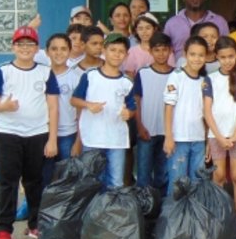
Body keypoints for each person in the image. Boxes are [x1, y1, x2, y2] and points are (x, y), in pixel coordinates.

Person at [0, 26, 59, 239]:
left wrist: (52, 139)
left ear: (37, 48)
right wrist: (4, 106)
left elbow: (53, 107)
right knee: (7, 182)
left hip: (37, 134)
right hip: (8, 134)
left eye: (30, 44)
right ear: (13, 47)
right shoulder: (3, 71)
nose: (25, 48)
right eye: (21, 44)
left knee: (34, 182)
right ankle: (4, 229)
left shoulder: (45, 72)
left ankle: (35, 224)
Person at [71, 33, 136, 190]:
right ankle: (92, 214)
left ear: (126, 56)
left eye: (121, 51)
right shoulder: (90, 76)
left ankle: (110, 213)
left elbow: (132, 108)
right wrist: (88, 105)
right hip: (92, 139)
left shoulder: (127, 81)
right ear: (104, 51)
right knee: (92, 181)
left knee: (115, 183)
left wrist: (129, 114)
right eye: (112, 50)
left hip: (116, 140)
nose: (116, 54)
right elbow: (74, 100)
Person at [203, 37, 236, 223]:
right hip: (216, 134)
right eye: (223, 57)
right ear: (216, 56)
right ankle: (218, 219)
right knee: (219, 175)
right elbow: (207, 111)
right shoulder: (211, 79)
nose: (227, 60)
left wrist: (234, 134)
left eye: (231, 56)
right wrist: (218, 136)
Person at [163, 36, 209, 192]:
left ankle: (193, 216)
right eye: (193, 54)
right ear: (185, 54)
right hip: (179, 139)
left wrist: (207, 139)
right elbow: (168, 107)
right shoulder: (176, 76)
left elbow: (206, 112)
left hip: (198, 139)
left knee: (197, 182)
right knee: (177, 183)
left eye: (201, 55)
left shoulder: (204, 80)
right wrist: (169, 137)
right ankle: (174, 216)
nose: (197, 59)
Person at [133, 32, 173, 193]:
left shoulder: (176, 74)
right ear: (150, 51)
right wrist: (139, 126)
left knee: (163, 173)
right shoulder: (142, 73)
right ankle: (144, 208)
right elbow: (137, 101)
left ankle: (161, 207)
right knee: (143, 172)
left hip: (168, 132)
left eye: (164, 49)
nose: (161, 53)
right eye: (157, 50)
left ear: (170, 51)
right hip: (147, 130)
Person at [41, 33, 83, 187]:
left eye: (64, 49)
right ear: (47, 52)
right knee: (41, 179)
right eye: (54, 49)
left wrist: (78, 140)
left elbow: (81, 112)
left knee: (67, 181)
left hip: (68, 135)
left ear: (70, 51)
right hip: (41, 134)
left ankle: (66, 212)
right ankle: (32, 210)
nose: (59, 53)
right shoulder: (40, 74)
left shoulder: (77, 77)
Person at [163, 0, 229, 60]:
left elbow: (227, 49)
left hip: (213, 70)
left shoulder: (220, 22)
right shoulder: (172, 23)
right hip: (180, 70)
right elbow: (164, 51)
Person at [122, 12, 159, 78]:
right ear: (136, 30)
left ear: (155, 29)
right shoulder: (132, 52)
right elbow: (129, 75)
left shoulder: (163, 50)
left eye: (148, 28)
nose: (144, 31)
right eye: (140, 28)